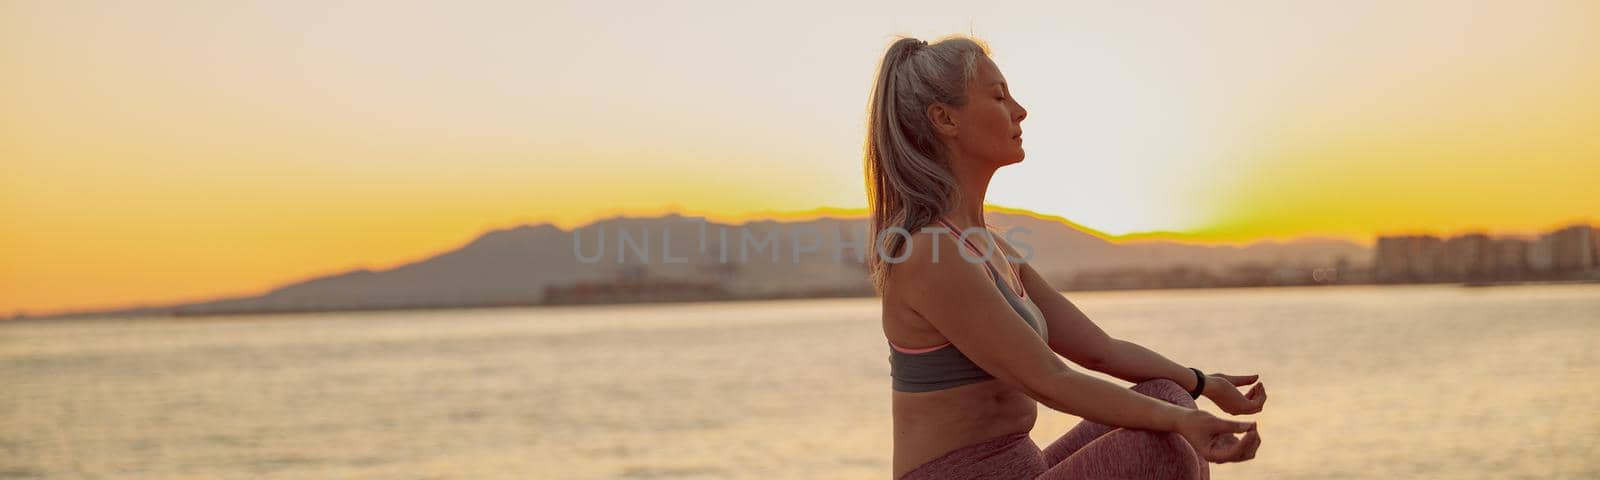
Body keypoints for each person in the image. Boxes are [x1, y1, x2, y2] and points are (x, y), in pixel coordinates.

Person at [865, 35, 1268, 480]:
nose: (1020, 111)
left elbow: (1100, 351)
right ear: (945, 119)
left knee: (1167, 394)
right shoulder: (931, 254)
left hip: (1024, 467)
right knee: (1164, 446)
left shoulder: (992, 248)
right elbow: (1049, 379)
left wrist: (1201, 383)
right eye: (999, 96)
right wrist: (1183, 424)